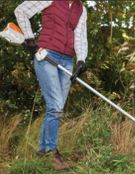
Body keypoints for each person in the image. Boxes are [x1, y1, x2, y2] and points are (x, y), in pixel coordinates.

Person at [14, 0, 88, 170]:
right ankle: (51, 152)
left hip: (67, 60)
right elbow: (21, 11)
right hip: (46, 56)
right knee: (55, 107)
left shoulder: (81, 9)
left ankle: (41, 152)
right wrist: (30, 38)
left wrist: (82, 59)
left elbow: (80, 36)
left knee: (56, 108)